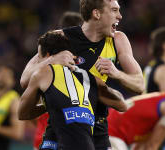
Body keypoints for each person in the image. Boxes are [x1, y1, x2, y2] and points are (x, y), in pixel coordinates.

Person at [21, 0, 145, 149]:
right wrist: (52, 60)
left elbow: (140, 85)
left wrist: (117, 73)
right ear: (96, 13)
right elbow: (25, 80)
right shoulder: (61, 37)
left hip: (97, 129)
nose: (120, 16)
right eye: (114, 10)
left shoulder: (117, 40)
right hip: (62, 126)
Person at [18, 30, 127, 150]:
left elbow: (22, 112)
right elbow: (122, 105)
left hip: (58, 143)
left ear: (48, 56)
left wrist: (51, 104)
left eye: (39, 57)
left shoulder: (42, 72)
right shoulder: (91, 79)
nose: (38, 61)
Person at [32, 11, 84, 150]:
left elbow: (28, 106)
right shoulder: (81, 67)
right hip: (68, 137)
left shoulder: (43, 67)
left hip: (45, 138)